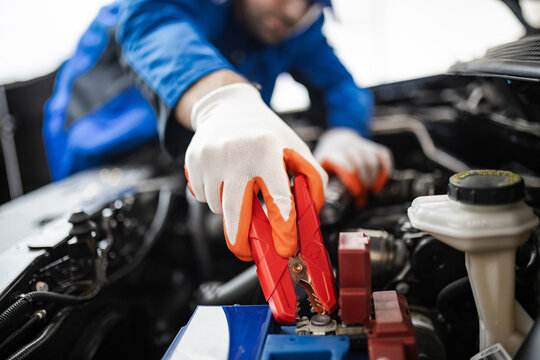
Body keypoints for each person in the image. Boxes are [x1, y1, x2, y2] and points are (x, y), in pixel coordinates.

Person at [43, 0, 393, 262]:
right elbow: (155, 23)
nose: (293, 11)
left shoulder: (292, 24)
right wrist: (220, 99)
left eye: (310, 3)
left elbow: (340, 85)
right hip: (102, 158)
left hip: (198, 164)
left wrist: (346, 133)